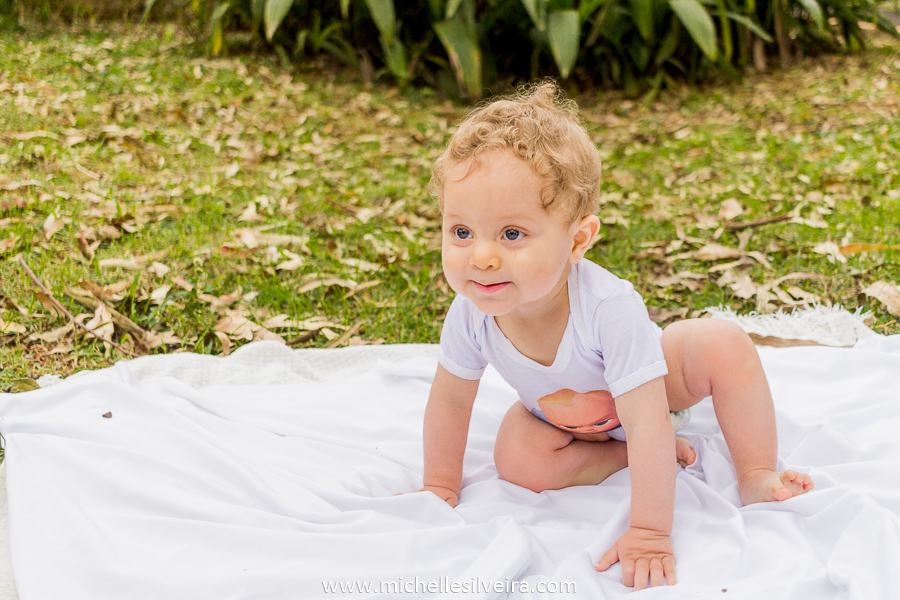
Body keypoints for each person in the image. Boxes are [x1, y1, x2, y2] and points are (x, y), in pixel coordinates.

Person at [418, 81, 814, 591]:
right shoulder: (471, 310)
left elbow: (648, 420)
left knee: (722, 343)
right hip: (565, 420)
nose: (482, 257)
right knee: (516, 459)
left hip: (655, 393)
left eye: (512, 234)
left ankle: (757, 472)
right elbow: (450, 403)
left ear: (578, 239)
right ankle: (623, 456)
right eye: (462, 232)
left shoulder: (608, 307)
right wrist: (440, 486)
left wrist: (649, 533)